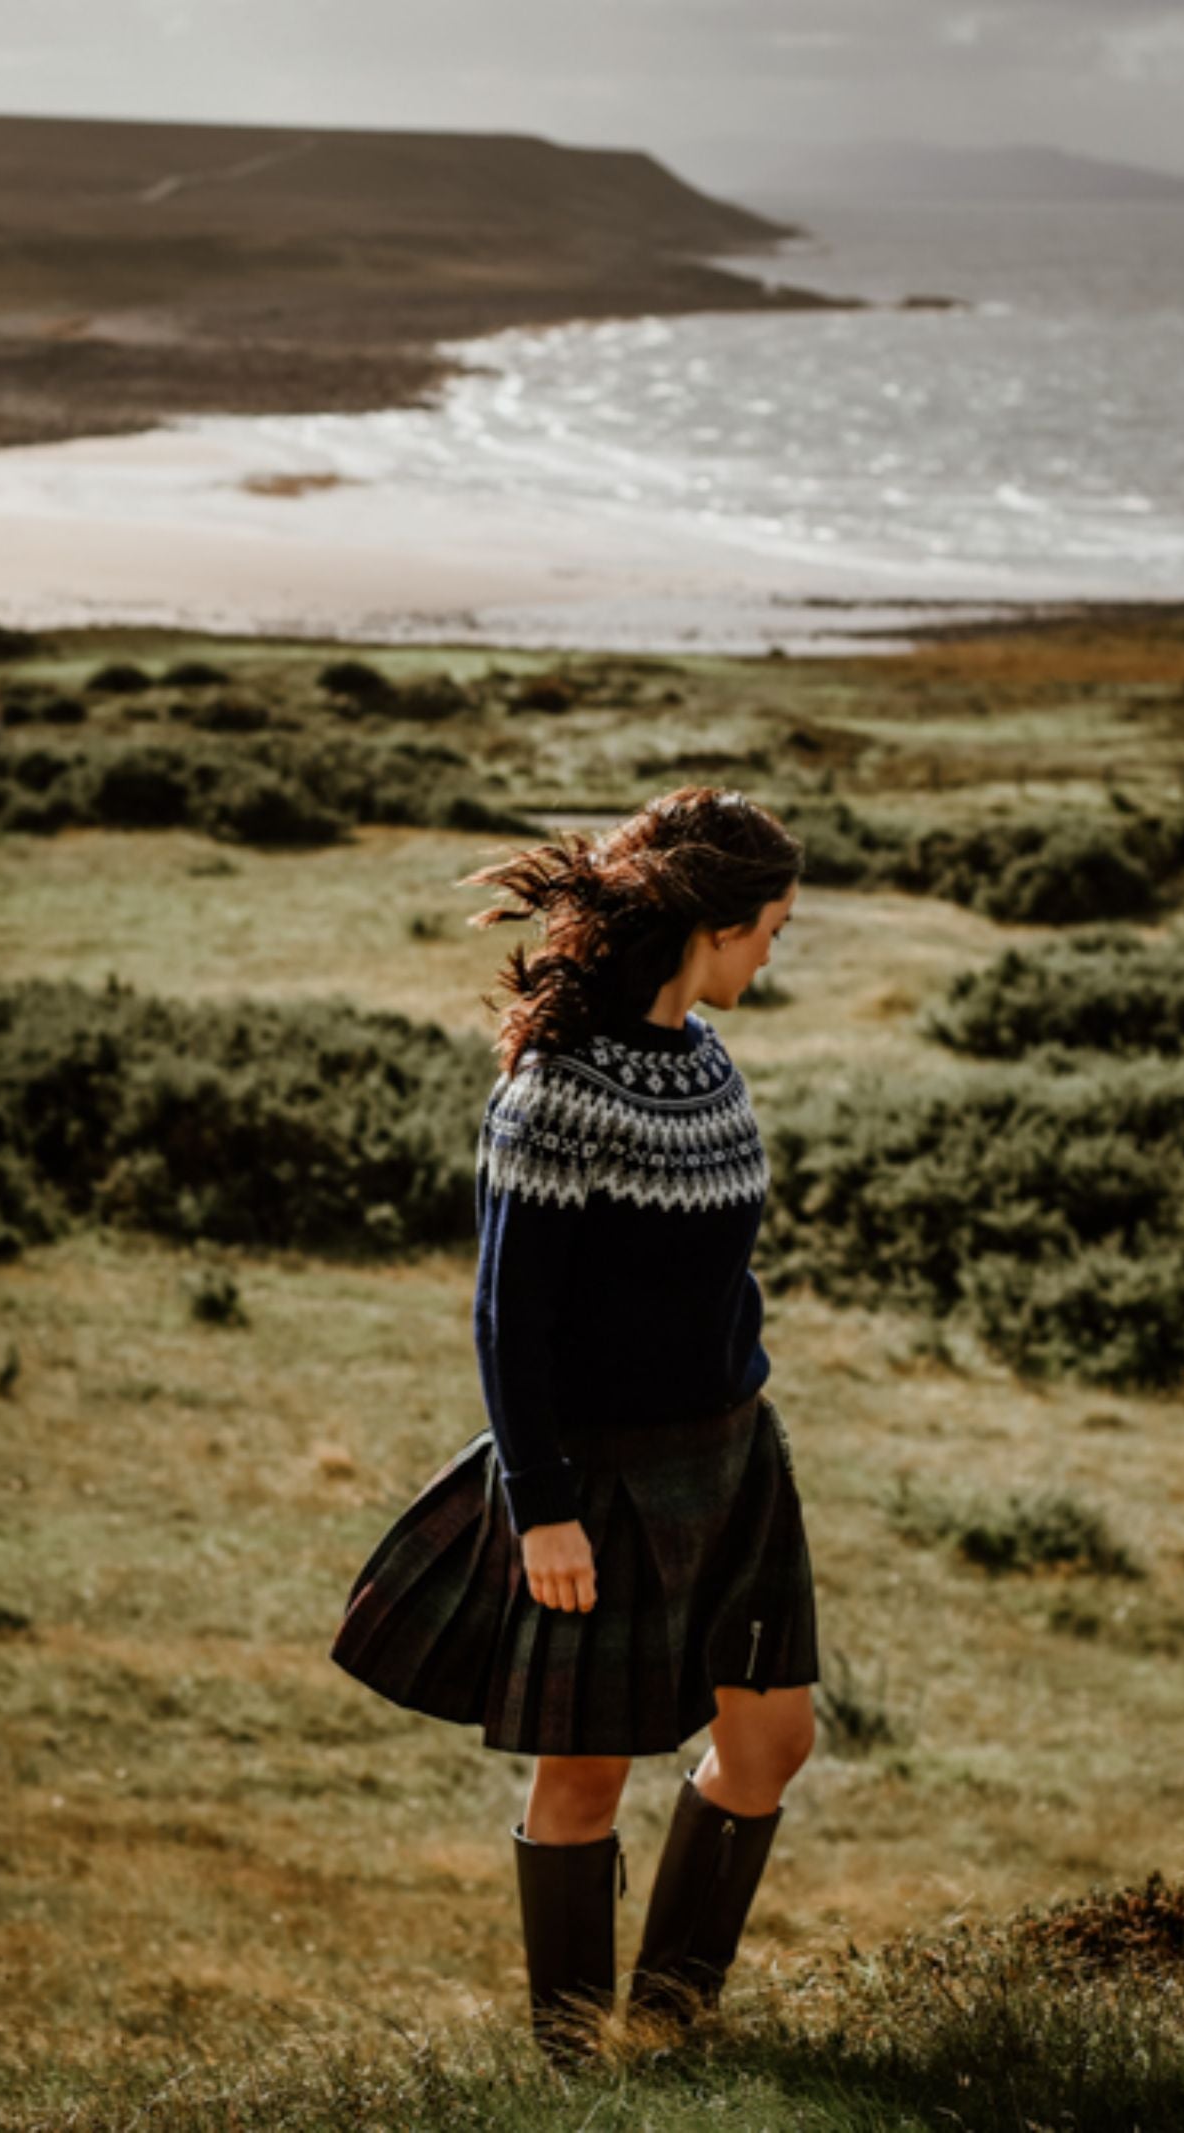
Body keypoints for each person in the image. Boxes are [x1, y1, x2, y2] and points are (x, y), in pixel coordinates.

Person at [330, 785, 819, 2057]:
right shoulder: (551, 1094)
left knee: (770, 1739)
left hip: (732, 1458)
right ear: (710, 927)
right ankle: (575, 2064)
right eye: (770, 924)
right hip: (599, 1479)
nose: (776, 948)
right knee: (586, 1775)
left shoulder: (707, 1058)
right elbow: (509, 1321)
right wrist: (541, 1507)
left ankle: (665, 2025)